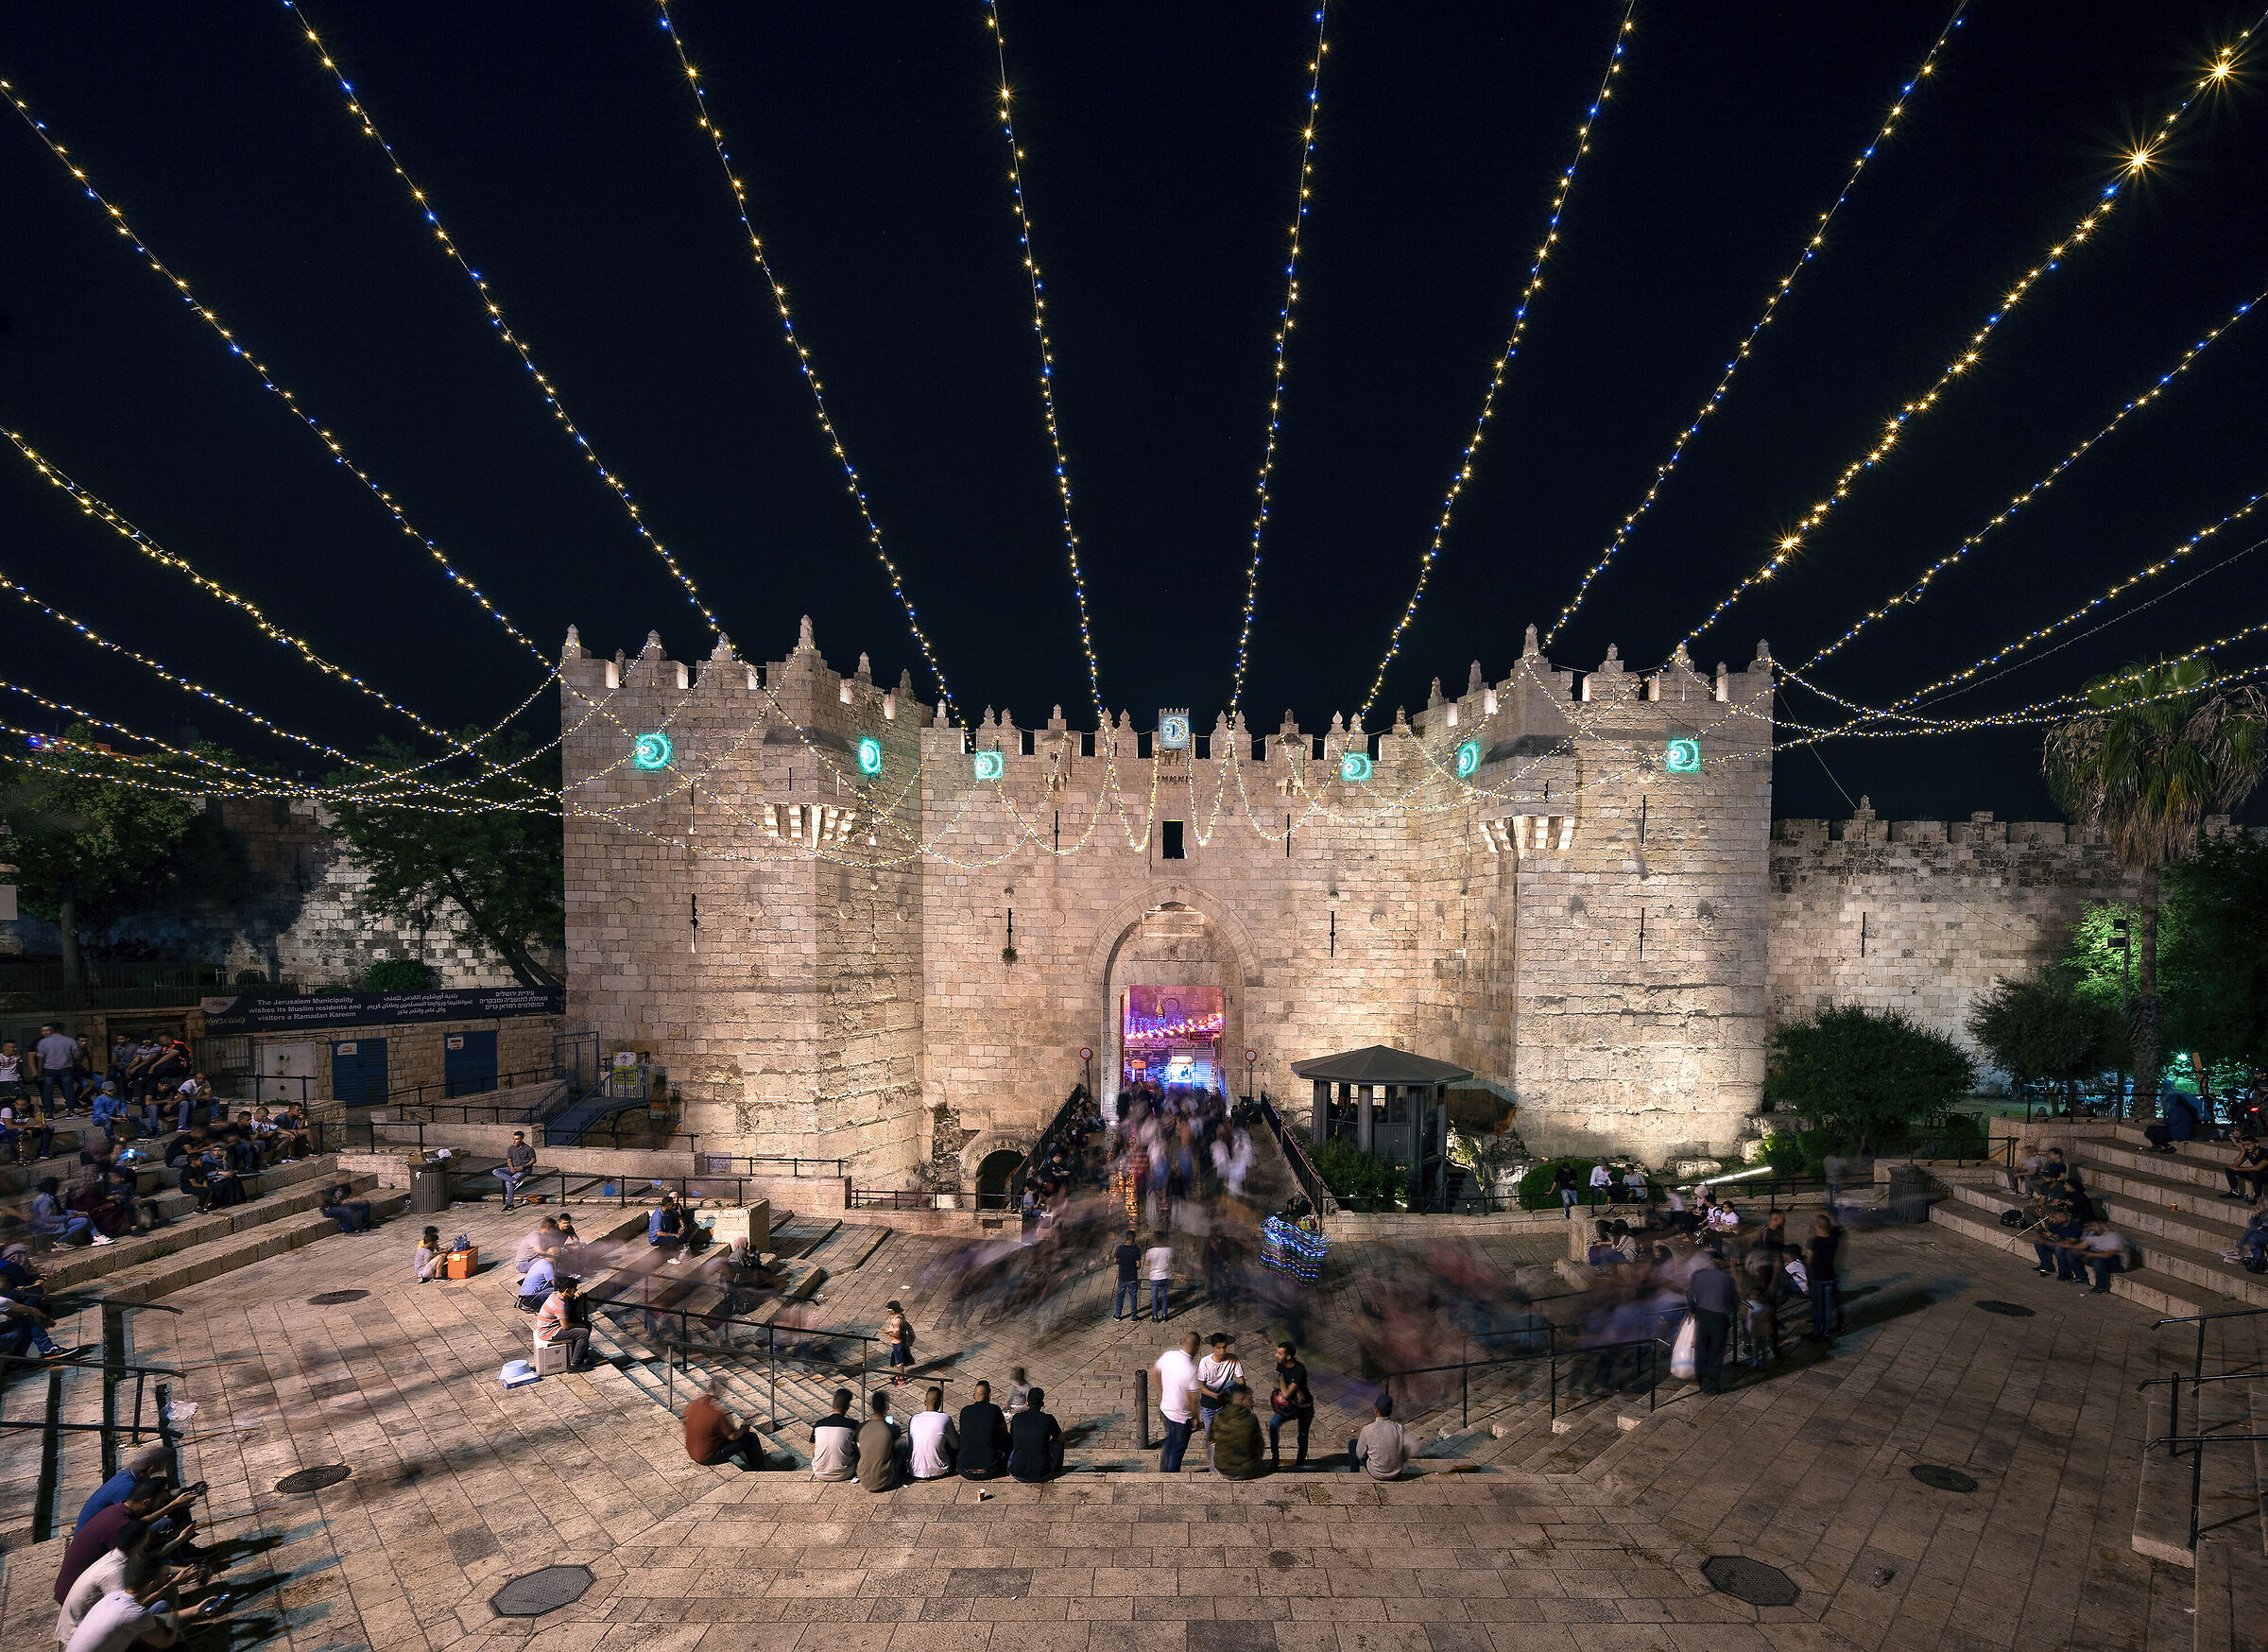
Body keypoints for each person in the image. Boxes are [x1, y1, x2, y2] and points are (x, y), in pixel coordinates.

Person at [1686, 1250, 1738, 1395]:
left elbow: (1690, 1294)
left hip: (1702, 1314)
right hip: (1719, 1317)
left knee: (1702, 1349)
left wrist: (1692, 1310)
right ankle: (1711, 1386)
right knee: (1716, 1351)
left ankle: (1701, 1381)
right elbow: (1734, 1300)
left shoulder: (1698, 1275)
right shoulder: (1727, 1278)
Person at [684, 1383, 766, 1471]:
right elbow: (733, 1437)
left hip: (693, 1452)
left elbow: (704, 1400)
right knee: (751, 1438)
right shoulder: (716, 1415)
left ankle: (751, 1456)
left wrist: (710, 1394)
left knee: (725, 1434)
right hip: (707, 1456)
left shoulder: (695, 1405)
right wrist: (744, 1429)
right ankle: (759, 1468)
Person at [1155, 1332, 1200, 1472]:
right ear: (1197, 1348)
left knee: (1170, 1440)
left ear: (1182, 1343)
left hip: (1166, 1410)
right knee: (1177, 1451)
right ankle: (1171, 1477)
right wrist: (1195, 1417)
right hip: (1181, 1417)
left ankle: (1163, 1471)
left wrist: (1160, 1394)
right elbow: (1193, 1398)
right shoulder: (1191, 1370)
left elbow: (1154, 1371)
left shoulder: (1168, 1356)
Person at [1349, 1394, 1417, 1480]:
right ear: (1390, 1411)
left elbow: (1360, 1455)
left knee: (1353, 1443)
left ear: (1376, 1410)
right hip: (1396, 1473)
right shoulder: (1399, 1428)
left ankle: (1353, 1475)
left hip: (1377, 1472)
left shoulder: (1367, 1429)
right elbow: (1414, 1446)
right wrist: (1402, 1458)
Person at [1267, 1342, 1314, 1470]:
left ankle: (1300, 1462)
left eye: (1279, 1353)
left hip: (1304, 1407)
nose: (1276, 1355)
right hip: (1288, 1406)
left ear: (1288, 1357)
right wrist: (1288, 1387)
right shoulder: (1281, 1363)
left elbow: (1286, 1392)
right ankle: (1274, 1458)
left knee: (1303, 1435)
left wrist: (1283, 1382)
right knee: (1273, 1426)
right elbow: (1275, 1382)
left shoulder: (1299, 1370)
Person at [955, 1380, 1011, 1480]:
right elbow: (1004, 1432)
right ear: (989, 1395)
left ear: (974, 1396)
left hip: (964, 1470)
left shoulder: (965, 1411)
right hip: (989, 1470)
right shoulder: (994, 1409)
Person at [1209, 1384, 1267, 1480]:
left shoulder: (1218, 1416)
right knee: (1259, 1442)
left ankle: (1213, 1469)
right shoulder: (1251, 1419)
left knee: (1213, 1443)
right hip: (1246, 1472)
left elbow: (1211, 1440)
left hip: (1223, 1470)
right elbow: (1259, 1444)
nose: (1252, 1402)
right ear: (1242, 1401)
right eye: (1250, 1399)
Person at [1007, 1385, 1063, 1483]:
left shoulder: (1017, 1418)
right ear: (1042, 1404)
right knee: (1059, 1442)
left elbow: (1012, 1437)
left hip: (1016, 1472)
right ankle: (1056, 1469)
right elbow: (1060, 1438)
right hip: (1041, 1473)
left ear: (1027, 1403)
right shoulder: (1048, 1419)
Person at [30, 1176, 102, 1248]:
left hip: (53, 1221)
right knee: (83, 1221)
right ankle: (59, 1241)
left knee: (83, 1215)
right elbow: (47, 1218)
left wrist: (74, 1213)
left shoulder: (49, 1196)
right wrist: (68, 1217)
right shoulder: (45, 1200)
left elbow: (59, 1210)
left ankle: (97, 1236)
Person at [1196, 1333, 1242, 1442]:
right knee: (1212, 1439)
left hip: (1225, 1404)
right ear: (1213, 1348)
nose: (1222, 1351)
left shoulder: (1233, 1359)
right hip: (1209, 1405)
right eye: (1219, 1348)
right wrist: (1215, 1396)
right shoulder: (1205, 1362)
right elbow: (1201, 1387)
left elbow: (1241, 1380)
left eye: (1224, 1347)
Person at [1806, 1214, 1844, 1342]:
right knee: (1828, 1307)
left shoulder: (1815, 1241)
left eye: (1816, 1224)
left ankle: (1817, 1332)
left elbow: (1810, 1260)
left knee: (1817, 1307)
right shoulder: (1834, 1240)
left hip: (1817, 1277)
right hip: (1829, 1276)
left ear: (1820, 1226)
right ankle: (1826, 1333)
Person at [534, 1279, 589, 1368]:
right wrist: (581, 1325)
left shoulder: (556, 1294)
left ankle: (582, 1356)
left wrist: (577, 1297)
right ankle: (574, 1364)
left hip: (553, 1325)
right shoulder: (559, 1305)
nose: (576, 1290)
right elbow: (566, 1326)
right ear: (567, 1290)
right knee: (584, 1333)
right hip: (549, 1332)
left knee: (587, 1325)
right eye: (574, 1288)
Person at [907, 1385, 958, 1480]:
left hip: (915, 1471)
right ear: (939, 1403)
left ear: (925, 1402)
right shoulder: (945, 1418)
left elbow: (910, 1444)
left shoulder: (913, 1419)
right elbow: (955, 1445)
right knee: (950, 1438)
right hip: (939, 1471)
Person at [855, 1392, 901, 1492]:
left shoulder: (861, 1427)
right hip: (885, 1480)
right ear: (886, 1406)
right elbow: (895, 1451)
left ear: (872, 1406)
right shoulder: (892, 1428)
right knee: (903, 1446)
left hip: (864, 1479)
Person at [811, 1388, 859, 1482]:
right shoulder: (852, 1424)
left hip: (819, 1473)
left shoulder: (819, 1424)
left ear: (832, 1405)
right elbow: (859, 1448)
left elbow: (814, 1449)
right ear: (847, 1407)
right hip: (845, 1473)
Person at [35, 1024, 80, 1115]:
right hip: (66, 1068)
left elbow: (40, 1057)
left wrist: (40, 1071)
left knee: (47, 1092)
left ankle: (49, 1113)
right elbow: (76, 1055)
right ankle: (71, 1111)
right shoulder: (69, 1040)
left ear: (52, 1030)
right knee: (68, 1091)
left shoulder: (43, 1042)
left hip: (49, 1069)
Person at [2080, 1220, 2128, 1295]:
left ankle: (2101, 1286)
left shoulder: (2114, 1237)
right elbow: (2081, 1246)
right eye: (2091, 1226)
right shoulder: (2093, 1234)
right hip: (2103, 1257)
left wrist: (2090, 1255)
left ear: (2102, 1225)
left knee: (2098, 1261)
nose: (2092, 1227)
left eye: (2094, 1225)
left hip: (2119, 1263)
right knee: (2074, 1253)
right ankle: (2081, 1278)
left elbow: (2108, 1255)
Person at [493, 1131, 538, 1211]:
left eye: (516, 1139)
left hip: (524, 1169)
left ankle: (510, 1204)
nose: (514, 1141)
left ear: (522, 1139)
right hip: (513, 1168)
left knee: (508, 1183)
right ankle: (514, 1181)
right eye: (513, 1139)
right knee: (496, 1171)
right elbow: (509, 1160)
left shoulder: (528, 1149)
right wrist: (511, 1168)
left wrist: (523, 1167)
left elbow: (533, 1160)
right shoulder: (511, 1148)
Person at [2225, 1139, 2268, 1203]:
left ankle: (2258, 1198)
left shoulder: (2265, 1152)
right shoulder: (2248, 1152)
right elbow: (2235, 1165)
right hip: (2257, 1175)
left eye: (2248, 1144)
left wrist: (2240, 1169)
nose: (2246, 1147)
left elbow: (2258, 1168)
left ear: (2256, 1144)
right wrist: (2242, 1152)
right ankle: (2234, 1193)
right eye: (2244, 1145)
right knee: (2229, 1169)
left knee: (2254, 1173)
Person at [1143, 1232, 1174, 1322]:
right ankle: (1165, 1315)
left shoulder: (1151, 1251)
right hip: (1164, 1276)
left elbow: (1147, 1263)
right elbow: (1172, 1260)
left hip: (1154, 1277)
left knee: (1155, 1297)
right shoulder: (1169, 1250)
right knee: (1164, 1297)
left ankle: (1155, 1316)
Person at [881, 1300, 914, 1385]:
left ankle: (901, 1378)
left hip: (898, 1343)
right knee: (897, 1359)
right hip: (896, 1342)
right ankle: (900, 1375)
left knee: (899, 1361)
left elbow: (898, 1335)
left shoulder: (896, 1321)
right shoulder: (898, 1316)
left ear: (894, 1310)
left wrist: (887, 1332)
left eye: (889, 1310)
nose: (888, 1311)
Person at [1112, 1228, 1143, 1319]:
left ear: (1126, 1238)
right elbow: (1138, 1264)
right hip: (1132, 1276)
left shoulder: (1120, 1248)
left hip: (1122, 1276)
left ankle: (1117, 1315)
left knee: (1120, 1296)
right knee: (1133, 1296)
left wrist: (1121, 1263)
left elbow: (1114, 1261)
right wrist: (1134, 1267)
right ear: (1134, 1238)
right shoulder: (1136, 1249)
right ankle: (1133, 1316)